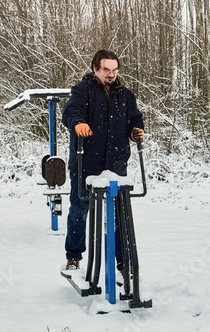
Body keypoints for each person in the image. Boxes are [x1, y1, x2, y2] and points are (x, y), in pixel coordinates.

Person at [62, 50, 145, 270]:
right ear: (95, 69)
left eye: (114, 69)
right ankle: (74, 257)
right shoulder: (82, 91)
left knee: (118, 214)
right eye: (106, 69)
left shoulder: (126, 95)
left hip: (115, 164)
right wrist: (78, 122)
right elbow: (71, 110)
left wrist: (136, 130)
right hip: (86, 163)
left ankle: (122, 263)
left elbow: (135, 118)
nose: (111, 74)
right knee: (79, 210)